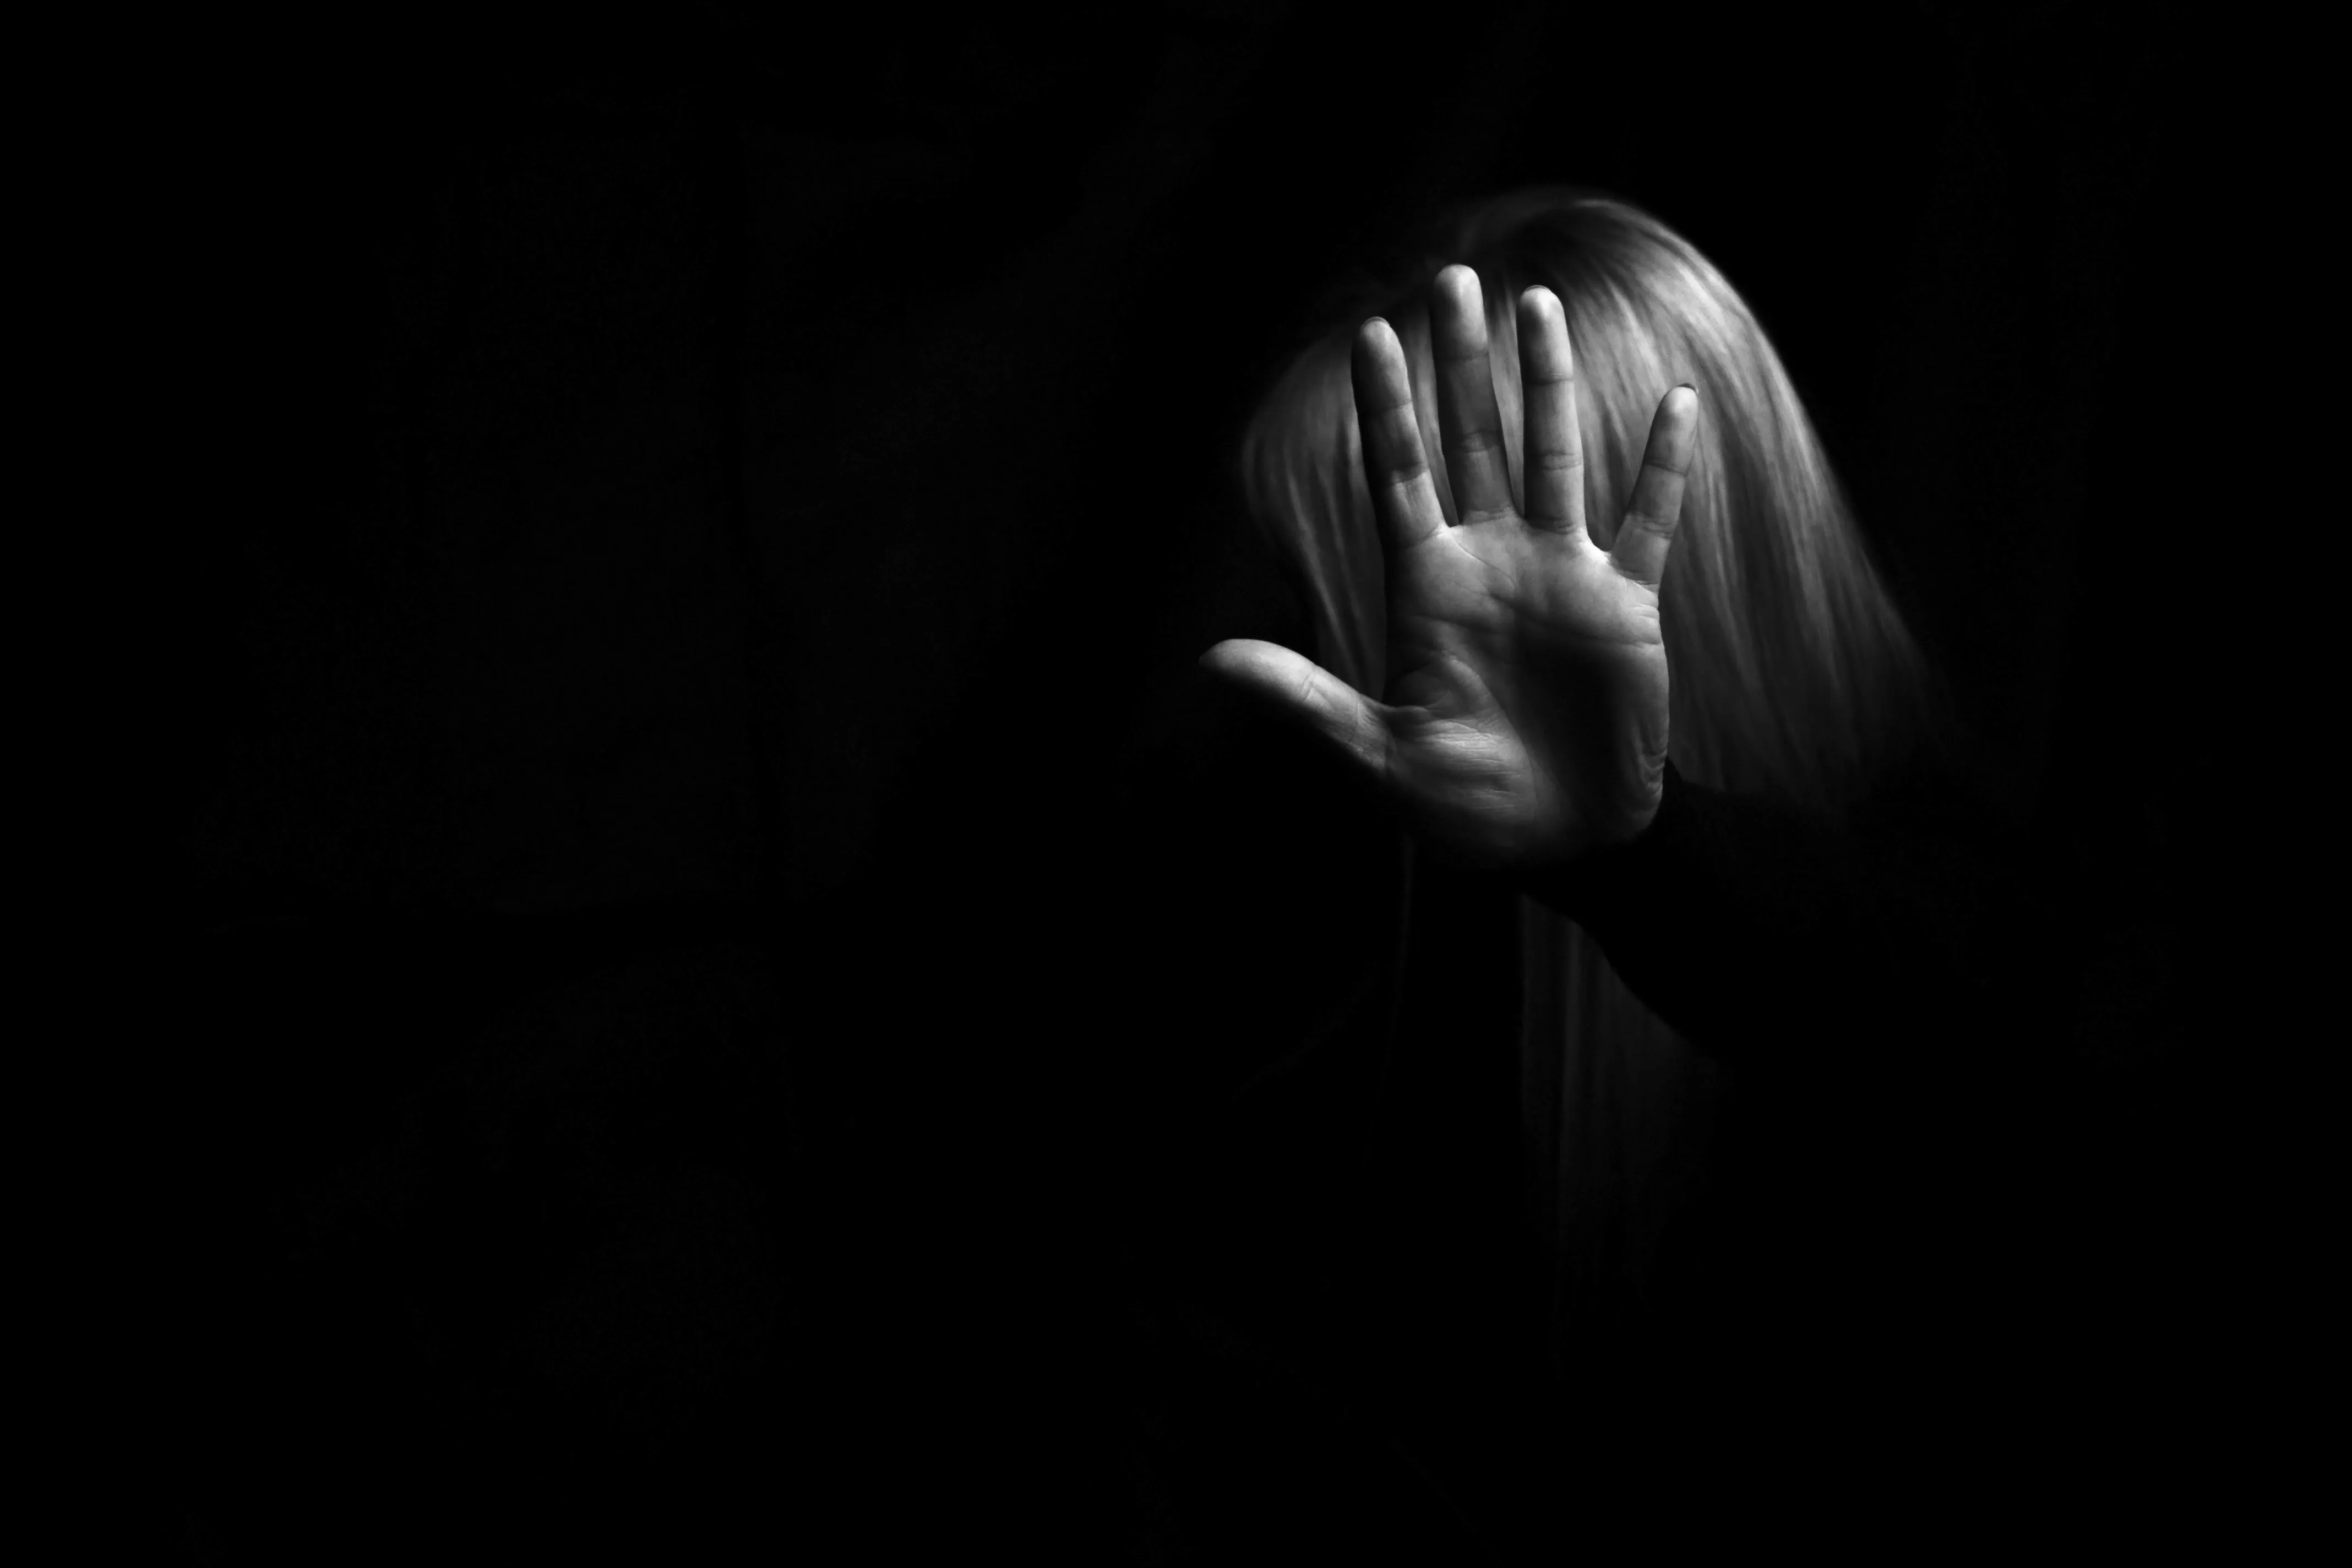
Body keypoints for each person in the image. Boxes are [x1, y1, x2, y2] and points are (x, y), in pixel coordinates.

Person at [1168, 189, 2101, 1553]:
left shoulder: (1965, 978)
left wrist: (1640, 857)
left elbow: (1960, 1028)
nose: (1337, 668)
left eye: (1350, 607)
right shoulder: (1357, 1012)